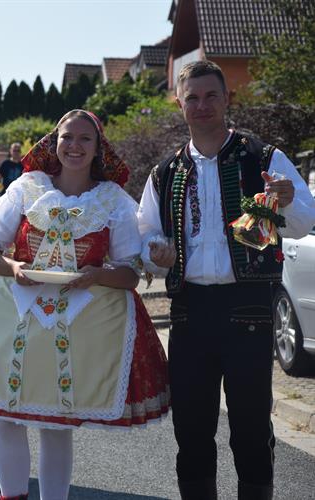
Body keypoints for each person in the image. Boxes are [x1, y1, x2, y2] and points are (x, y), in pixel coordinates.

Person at [0, 110, 170, 500]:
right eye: (67, 138)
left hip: (80, 322)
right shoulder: (27, 187)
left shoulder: (112, 200)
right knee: (7, 417)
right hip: (15, 311)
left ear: (98, 149)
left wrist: (95, 275)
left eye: (84, 139)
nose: (74, 146)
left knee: (57, 423)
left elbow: (130, 274)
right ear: (54, 142)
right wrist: (15, 266)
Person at [138, 61, 315, 500]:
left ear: (227, 99)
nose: (202, 105)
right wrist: (157, 255)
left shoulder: (263, 157)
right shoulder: (166, 173)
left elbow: (306, 220)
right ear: (180, 104)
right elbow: (146, 241)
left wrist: (288, 201)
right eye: (192, 97)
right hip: (189, 311)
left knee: (252, 428)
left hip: (249, 307)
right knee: (192, 431)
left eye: (210, 95)